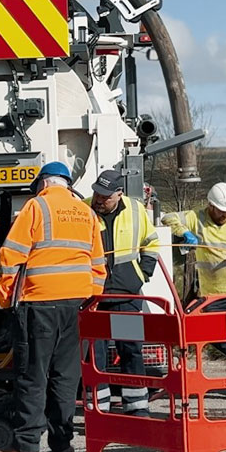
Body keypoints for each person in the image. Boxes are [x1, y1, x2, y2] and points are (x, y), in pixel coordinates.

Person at [0, 162, 107, 452]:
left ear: (43, 183)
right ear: (67, 184)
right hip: (75, 307)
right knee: (65, 379)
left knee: (33, 376)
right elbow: (98, 264)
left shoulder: (36, 207)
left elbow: (10, 255)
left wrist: (6, 299)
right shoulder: (87, 213)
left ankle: (26, 450)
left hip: (40, 304)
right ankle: (62, 447)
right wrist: (90, 298)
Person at [164, 182, 226, 401]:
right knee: (210, 332)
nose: (225, 215)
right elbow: (168, 217)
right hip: (213, 293)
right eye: (221, 211)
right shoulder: (196, 217)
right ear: (210, 205)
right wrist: (185, 233)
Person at [86, 168, 161, 416]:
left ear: (119, 193)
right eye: (97, 193)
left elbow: (151, 243)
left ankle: (137, 408)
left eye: (105, 196)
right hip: (94, 295)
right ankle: (98, 411)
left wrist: (142, 274)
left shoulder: (137, 210)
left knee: (130, 349)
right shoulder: (85, 210)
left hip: (127, 296)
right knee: (94, 356)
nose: (99, 199)